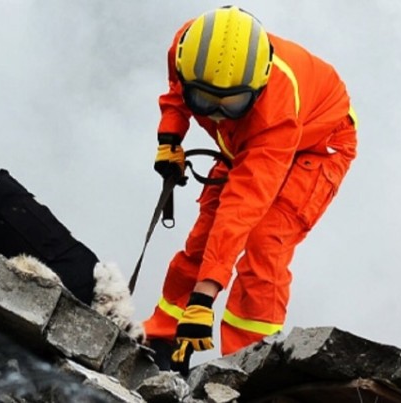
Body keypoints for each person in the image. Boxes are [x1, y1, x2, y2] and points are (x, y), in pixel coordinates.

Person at [142, 5, 358, 373]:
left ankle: (249, 368)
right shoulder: (187, 48)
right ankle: (164, 339)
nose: (217, 115)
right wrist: (170, 138)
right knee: (203, 239)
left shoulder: (276, 112)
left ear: (254, 90)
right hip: (242, 141)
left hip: (315, 146)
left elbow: (242, 206)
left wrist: (204, 296)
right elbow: (178, 93)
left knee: (264, 246)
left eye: (231, 104)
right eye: (206, 102)